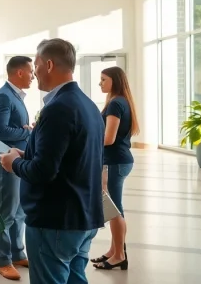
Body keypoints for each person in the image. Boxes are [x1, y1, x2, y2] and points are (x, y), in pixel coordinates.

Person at [0, 38, 105, 284]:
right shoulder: (88, 105)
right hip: (84, 216)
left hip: (56, 220)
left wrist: (13, 164)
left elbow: (43, 171)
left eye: (35, 66)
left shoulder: (58, 108)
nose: (34, 73)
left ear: (48, 65)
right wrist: (25, 154)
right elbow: (72, 159)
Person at [0, 56, 34, 280]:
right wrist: (28, 132)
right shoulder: (3, 97)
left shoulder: (15, 96)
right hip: (7, 162)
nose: (33, 76)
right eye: (31, 72)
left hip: (19, 162)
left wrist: (27, 130)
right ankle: (3, 260)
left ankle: (17, 253)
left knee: (19, 212)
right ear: (19, 72)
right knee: (6, 212)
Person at [91, 66, 138, 271]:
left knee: (113, 209)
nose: (100, 83)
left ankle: (119, 255)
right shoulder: (120, 101)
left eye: (103, 79)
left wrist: (85, 142)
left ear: (114, 81)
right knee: (114, 208)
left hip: (115, 161)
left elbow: (108, 138)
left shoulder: (116, 103)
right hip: (119, 160)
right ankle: (114, 250)